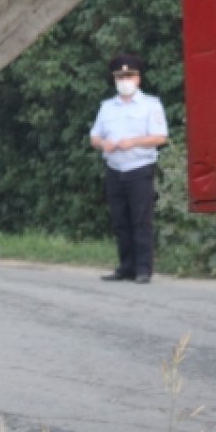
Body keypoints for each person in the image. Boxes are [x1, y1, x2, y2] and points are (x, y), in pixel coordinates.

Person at [89, 53, 169, 284]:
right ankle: (126, 266)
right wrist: (104, 143)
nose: (125, 80)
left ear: (138, 78)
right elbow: (94, 136)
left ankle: (143, 269)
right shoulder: (107, 107)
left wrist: (132, 142)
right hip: (115, 169)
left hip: (139, 168)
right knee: (120, 221)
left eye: (129, 75)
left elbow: (160, 137)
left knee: (140, 220)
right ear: (114, 79)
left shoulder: (150, 105)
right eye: (120, 76)